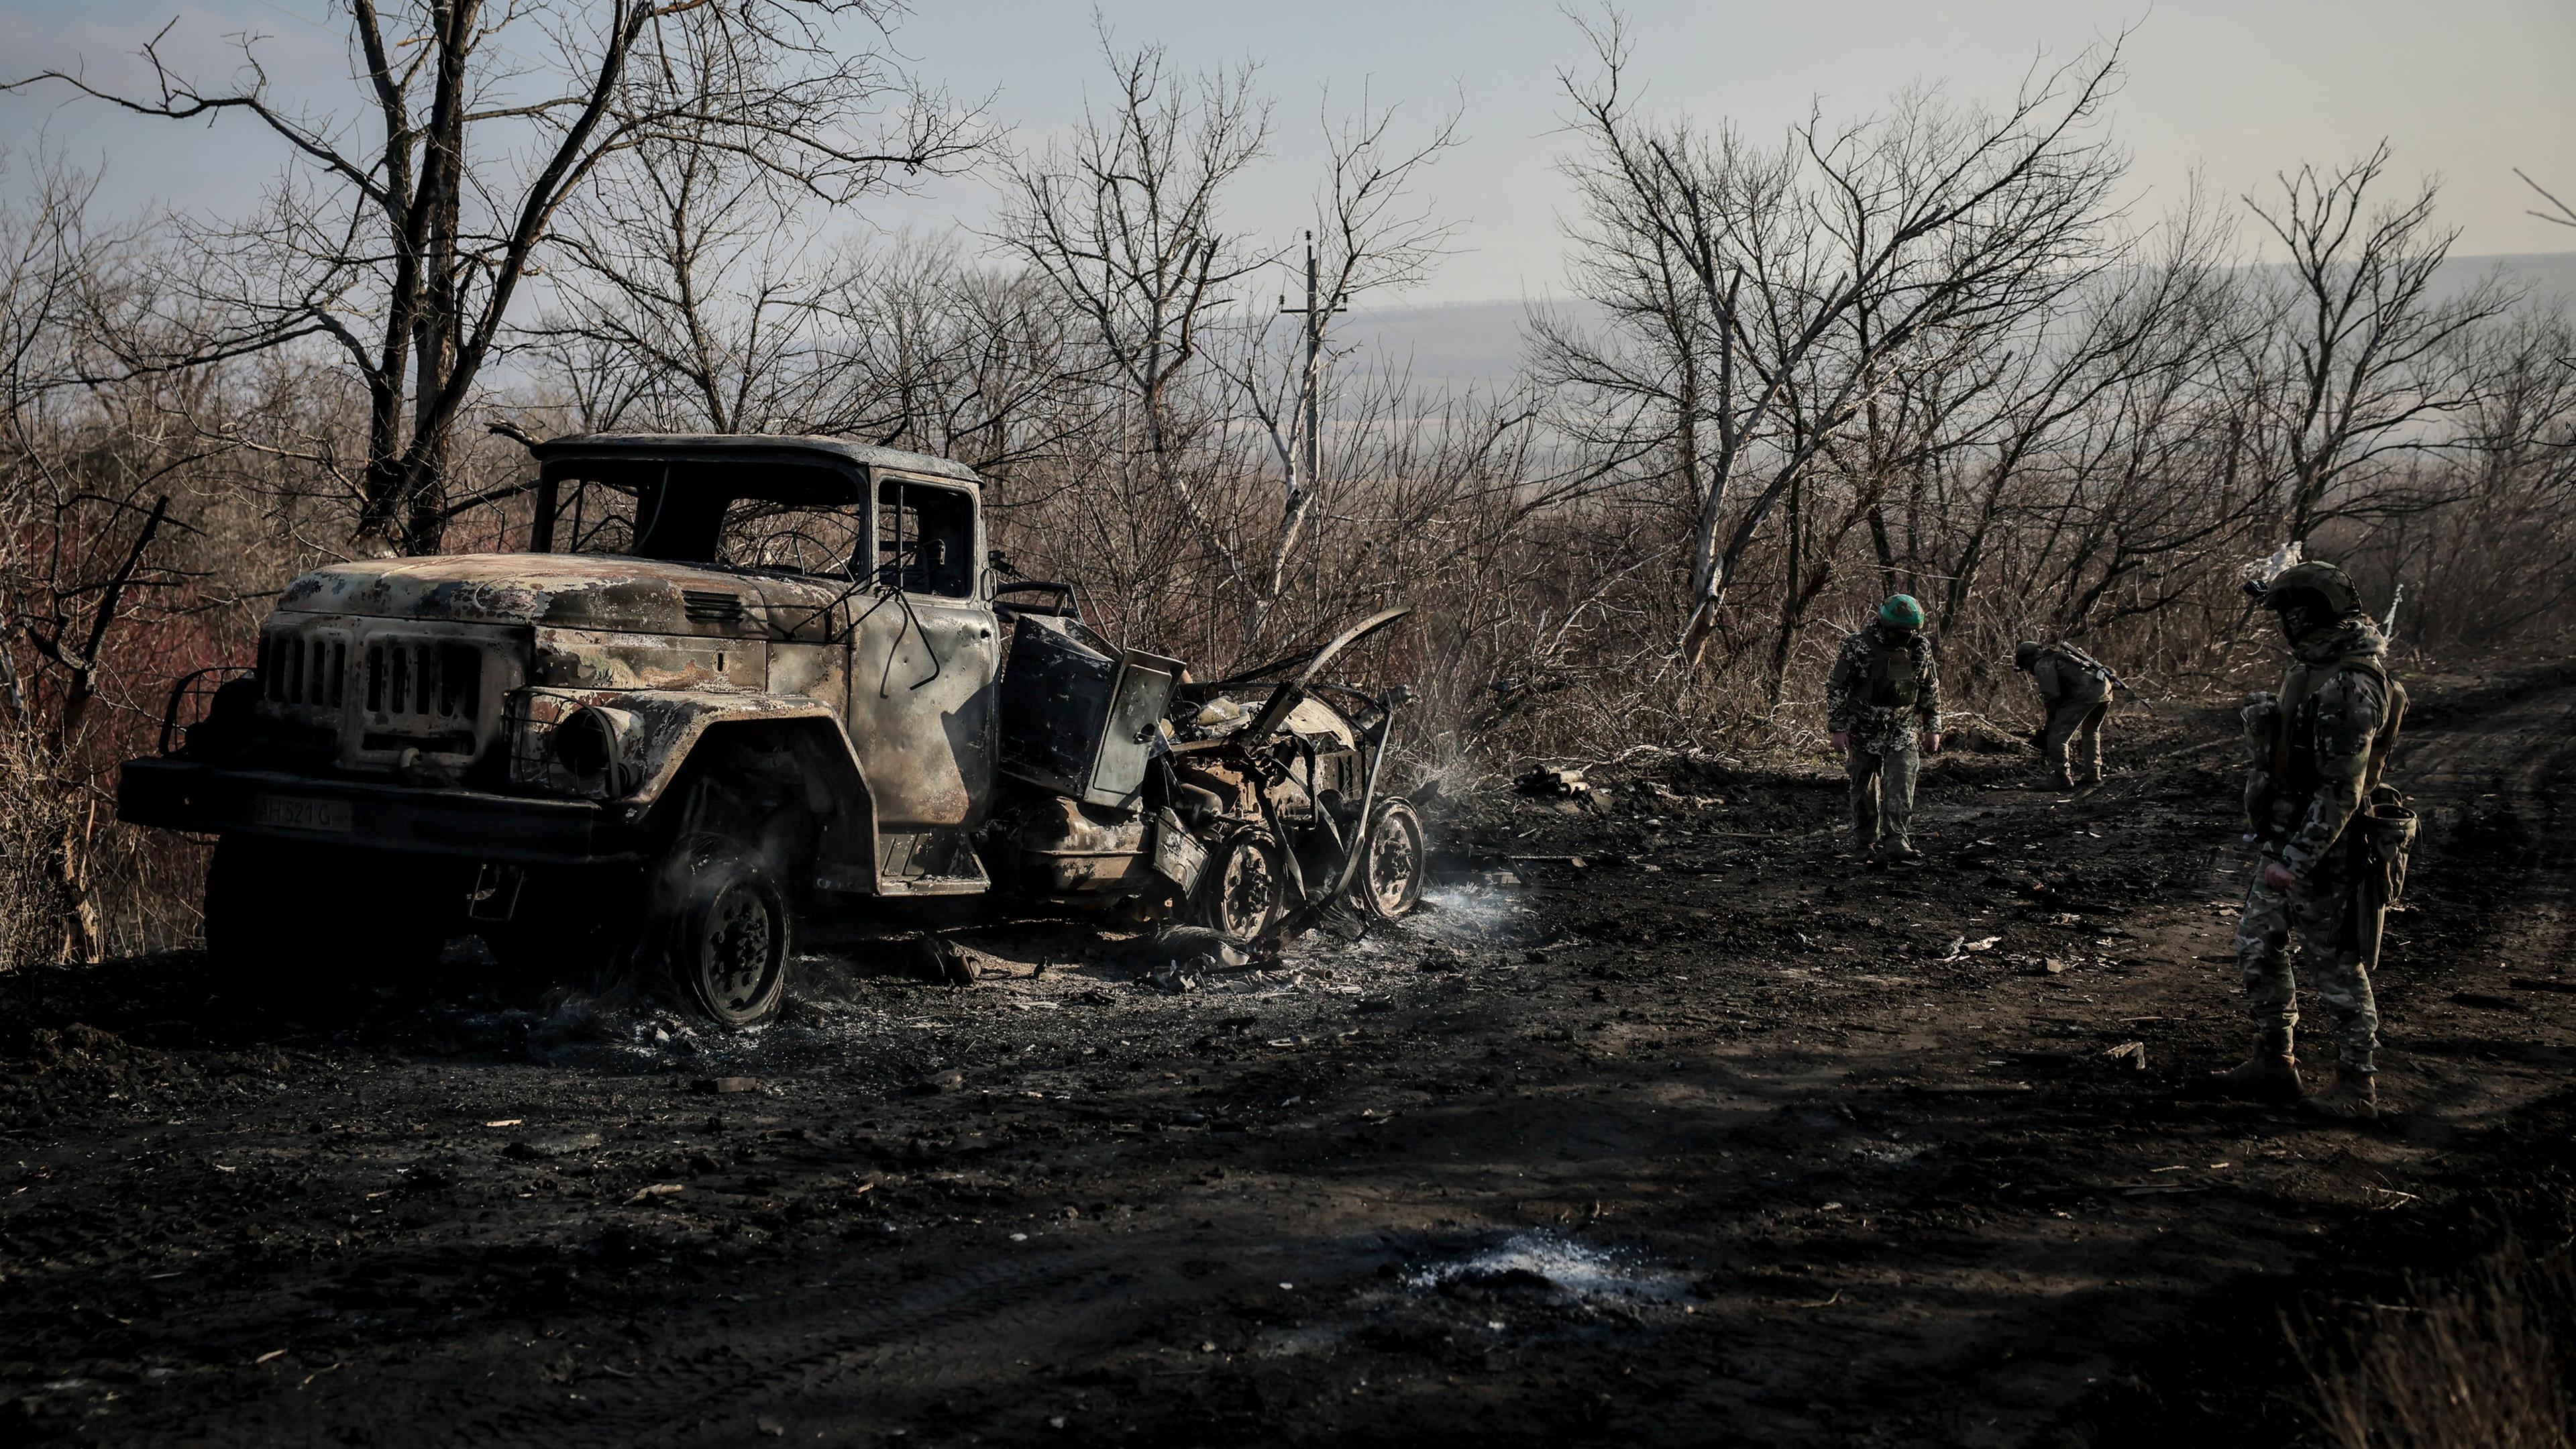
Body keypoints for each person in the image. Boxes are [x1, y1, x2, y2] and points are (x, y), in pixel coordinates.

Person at [2210, 560, 2408, 1120]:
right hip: (2286, 837)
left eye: (2289, 613)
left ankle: (2356, 1085)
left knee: (2337, 967)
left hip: (2329, 850)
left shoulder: (2352, 684)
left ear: (2310, 615)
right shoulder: (2319, 668)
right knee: (2257, 944)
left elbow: (2342, 789)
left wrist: (2297, 859)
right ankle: (2275, 1061)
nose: (2284, 626)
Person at [1826, 594, 1943, 865]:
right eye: (1899, 632)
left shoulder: (1920, 648)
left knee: (1901, 784)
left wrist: (1932, 728)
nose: (1904, 636)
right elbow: (1837, 687)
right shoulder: (1858, 646)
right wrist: (1838, 728)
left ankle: (1897, 840)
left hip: (1902, 730)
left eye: (1909, 631)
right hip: (1864, 731)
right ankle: (1866, 842)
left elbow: (1929, 689)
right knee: (1864, 790)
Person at [2014, 640, 2114, 789]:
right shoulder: (2062, 656)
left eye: (2026, 666)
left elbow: (2052, 695)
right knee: (2091, 731)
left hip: (2084, 695)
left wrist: (2051, 721)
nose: (2029, 670)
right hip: (2104, 691)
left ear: (2027, 658)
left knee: (2057, 737)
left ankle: (2062, 778)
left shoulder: (2043, 663)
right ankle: (2093, 774)